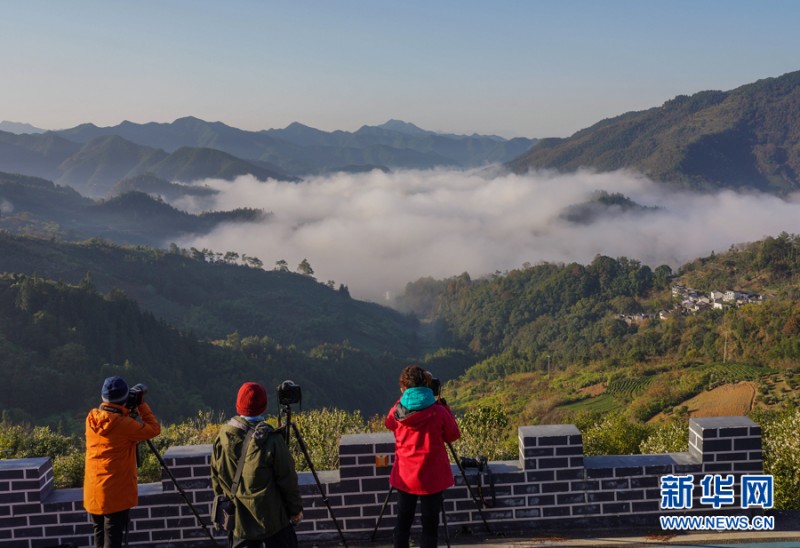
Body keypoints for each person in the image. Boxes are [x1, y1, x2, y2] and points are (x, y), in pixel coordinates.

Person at [211, 382, 304, 548]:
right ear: (264, 406)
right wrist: (295, 510)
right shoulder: (272, 440)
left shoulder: (222, 437)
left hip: (239, 525)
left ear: (238, 404)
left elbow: (216, 478)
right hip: (272, 524)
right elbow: (287, 480)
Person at [385, 365, 461, 548]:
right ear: (426, 385)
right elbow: (453, 435)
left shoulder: (398, 411)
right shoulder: (438, 411)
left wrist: (404, 399)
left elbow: (389, 423)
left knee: (403, 524)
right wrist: (445, 407)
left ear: (404, 387)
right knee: (430, 527)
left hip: (405, 476)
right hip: (432, 477)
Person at [83, 376, 161, 548]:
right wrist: (141, 404)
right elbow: (154, 429)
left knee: (99, 539)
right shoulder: (124, 425)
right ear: (125, 397)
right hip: (114, 494)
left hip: (93, 492)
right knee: (113, 542)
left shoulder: (91, 420)